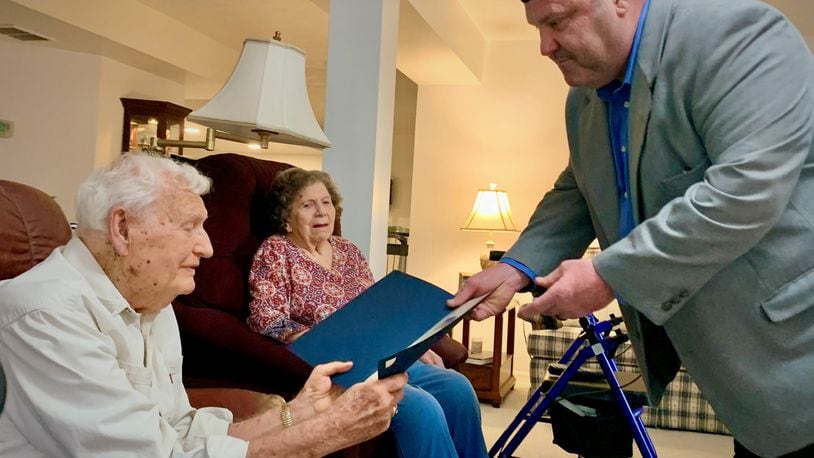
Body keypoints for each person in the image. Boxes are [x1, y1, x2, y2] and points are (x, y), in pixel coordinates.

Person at [448, 0, 814, 457]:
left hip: (796, 349)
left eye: (557, 20)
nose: (544, 46)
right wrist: (515, 268)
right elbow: (578, 190)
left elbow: (746, 189)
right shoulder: (583, 98)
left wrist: (608, 274)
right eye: (538, 26)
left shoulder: (736, 36)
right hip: (747, 382)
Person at [0, 153, 407, 457]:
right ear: (122, 229)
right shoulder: (46, 315)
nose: (207, 247)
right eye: (189, 227)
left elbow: (181, 430)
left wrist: (301, 413)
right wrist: (325, 434)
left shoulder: (151, 304)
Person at [247, 167, 488, 458]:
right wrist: (326, 340)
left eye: (326, 202)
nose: (321, 212)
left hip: (378, 354)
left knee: (457, 388)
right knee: (423, 408)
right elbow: (266, 319)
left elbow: (378, 309)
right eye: (307, 205)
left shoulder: (348, 250)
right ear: (286, 217)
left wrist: (412, 346)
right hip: (335, 365)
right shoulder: (275, 251)